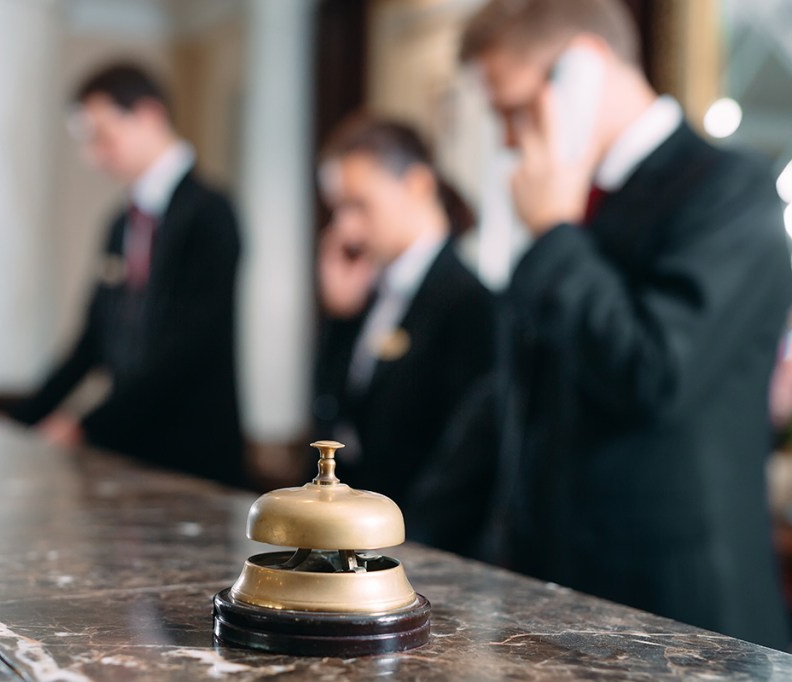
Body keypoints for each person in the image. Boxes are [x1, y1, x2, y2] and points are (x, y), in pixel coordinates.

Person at [460, 0, 792, 648]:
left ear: (582, 70)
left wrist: (554, 233)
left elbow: (654, 373)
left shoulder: (730, 191)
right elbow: (514, 400)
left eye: (514, 110)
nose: (506, 140)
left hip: (679, 620)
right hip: (555, 600)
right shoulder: (566, 200)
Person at [10, 63, 244, 488]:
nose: (93, 155)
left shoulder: (210, 213)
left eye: (102, 136)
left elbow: (188, 347)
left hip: (192, 456)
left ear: (149, 115)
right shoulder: (121, 222)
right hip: (126, 452)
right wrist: (23, 418)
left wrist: (86, 425)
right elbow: (94, 339)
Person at [313, 115, 497, 556]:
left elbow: (463, 462)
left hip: (417, 552)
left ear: (417, 185)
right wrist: (337, 318)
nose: (346, 229)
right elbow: (335, 418)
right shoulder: (367, 293)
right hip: (353, 544)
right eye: (337, 209)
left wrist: (402, 547)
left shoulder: (471, 302)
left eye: (359, 205)